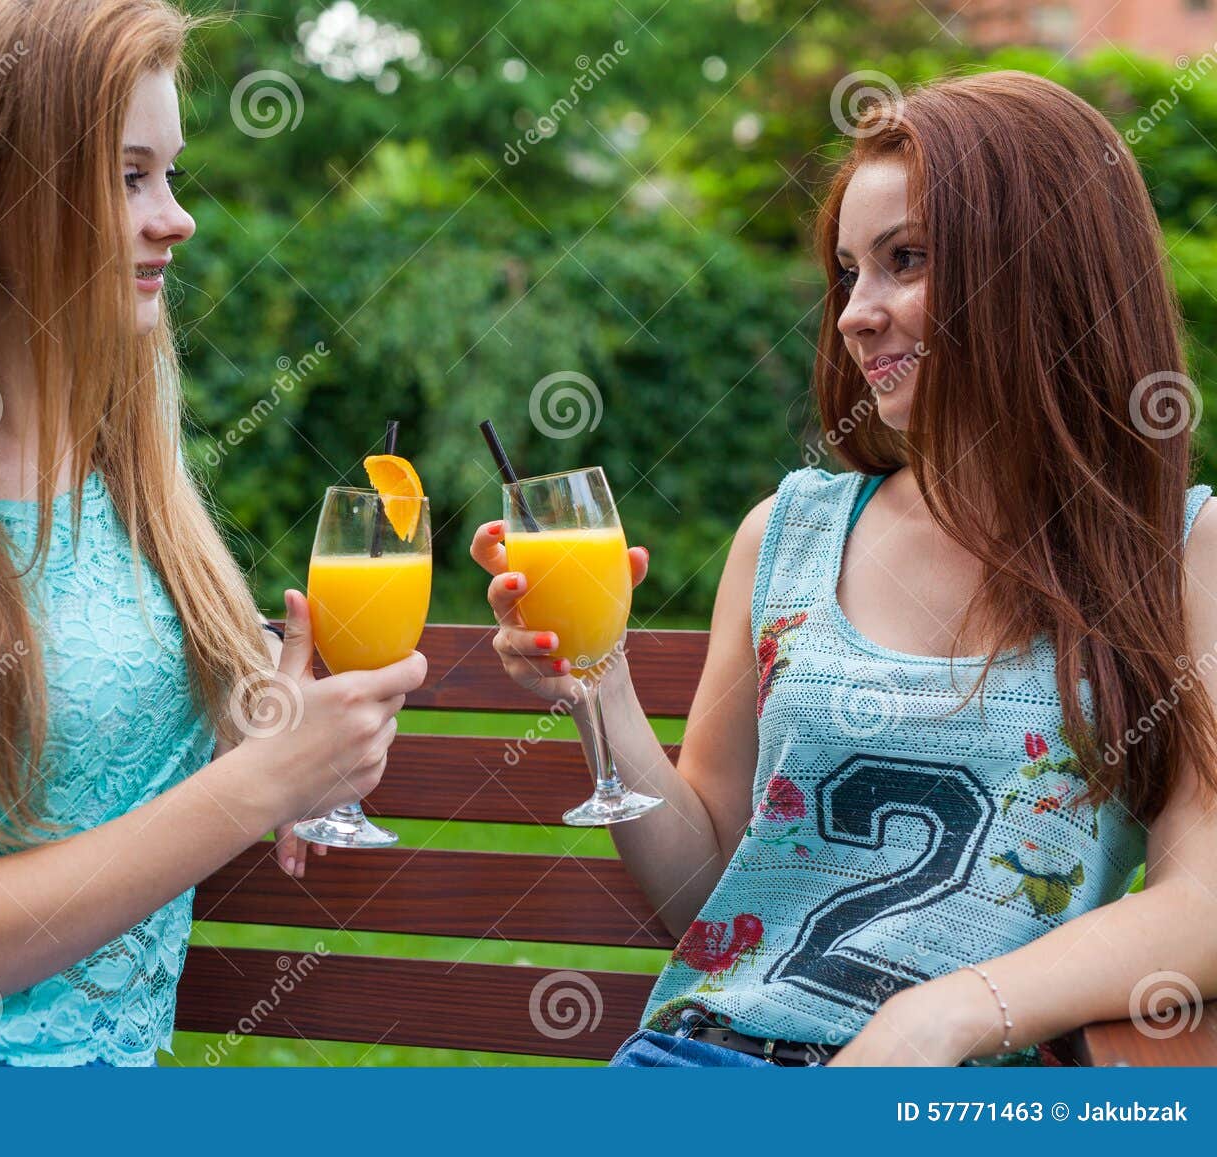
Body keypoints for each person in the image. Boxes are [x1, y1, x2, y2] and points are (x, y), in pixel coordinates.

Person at [471, 71, 1217, 1067]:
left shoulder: (1179, 552)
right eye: (848, 273)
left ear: (1045, 266)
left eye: (907, 260)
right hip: (701, 1066)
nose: (857, 312)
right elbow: (710, 896)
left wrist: (945, 1013)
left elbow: (1202, 899)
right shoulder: (787, 534)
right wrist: (597, 687)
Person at [0, 0, 424, 1068]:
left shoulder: (134, 486)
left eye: (171, 174)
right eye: (128, 176)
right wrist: (260, 783)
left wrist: (269, 714)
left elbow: (123, 716)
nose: (175, 219)